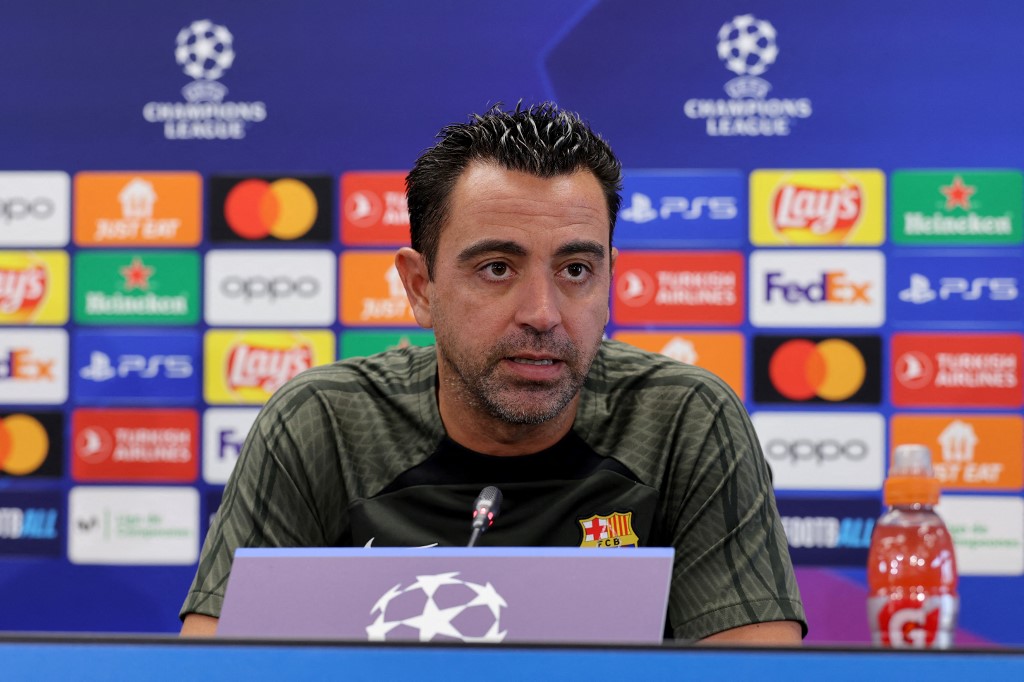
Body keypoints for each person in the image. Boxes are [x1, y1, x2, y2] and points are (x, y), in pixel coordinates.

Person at [180, 102, 806, 643]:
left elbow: (756, 673)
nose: (543, 314)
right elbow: (214, 669)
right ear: (420, 287)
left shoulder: (684, 420)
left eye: (577, 270)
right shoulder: (322, 422)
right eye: (497, 269)